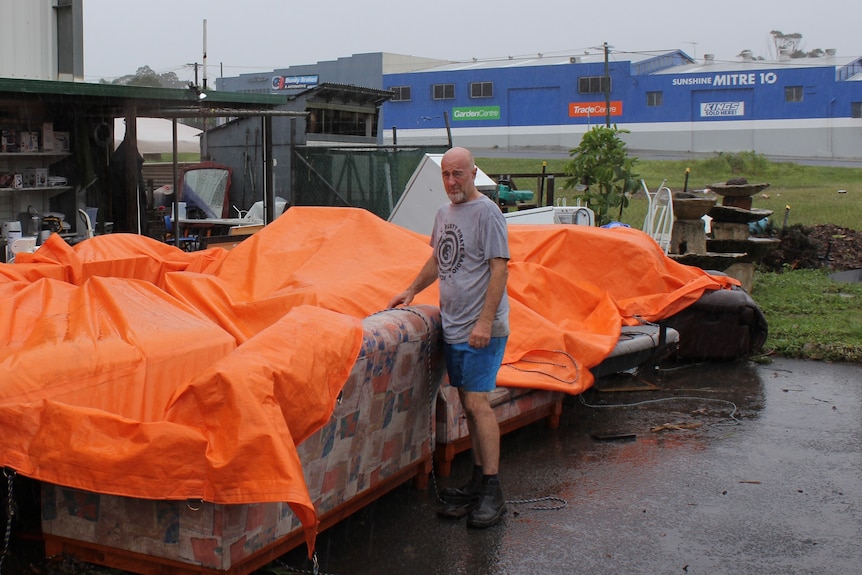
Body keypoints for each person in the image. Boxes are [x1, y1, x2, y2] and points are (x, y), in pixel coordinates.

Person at [388, 146, 510, 528]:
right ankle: (477, 481)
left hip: (480, 329)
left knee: (477, 404)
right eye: (446, 174)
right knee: (468, 403)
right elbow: (439, 259)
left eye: (458, 173)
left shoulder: (488, 213)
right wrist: (411, 290)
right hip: (455, 327)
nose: (452, 181)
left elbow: (499, 270)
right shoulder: (444, 214)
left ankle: (492, 490)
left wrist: (485, 323)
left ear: (474, 173)